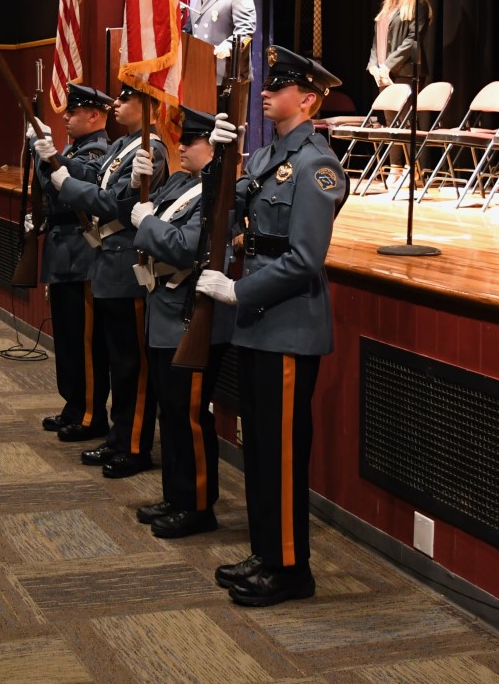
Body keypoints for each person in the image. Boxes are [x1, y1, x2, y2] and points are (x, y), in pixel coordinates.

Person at [196, 45, 348, 607]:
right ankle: (266, 553)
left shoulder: (317, 166)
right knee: (259, 447)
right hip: (258, 325)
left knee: (282, 453)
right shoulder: (264, 157)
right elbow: (222, 209)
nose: (265, 91)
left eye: (279, 85)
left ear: (306, 99)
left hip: (287, 326)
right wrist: (216, 161)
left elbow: (305, 259)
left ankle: (289, 569)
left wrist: (240, 291)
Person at [36, 84, 168, 478]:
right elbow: (96, 179)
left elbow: (114, 204)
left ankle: (134, 445)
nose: (117, 104)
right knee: (117, 362)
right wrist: (55, 158)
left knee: (132, 366)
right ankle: (119, 436)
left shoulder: (151, 149)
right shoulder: (122, 147)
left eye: (127, 99)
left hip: (129, 266)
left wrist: (64, 182)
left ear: (149, 104)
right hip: (107, 264)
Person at [128, 106, 234, 539]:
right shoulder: (180, 183)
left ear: (213, 146)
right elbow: (143, 213)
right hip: (165, 313)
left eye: (191, 140)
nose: (182, 146)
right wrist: (136, 186)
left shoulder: (219, 193)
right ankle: (176, 496)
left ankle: (198, 505)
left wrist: (148, 223)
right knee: (170, 413)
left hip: (192, 319)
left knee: (190, 416)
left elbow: (187, 247)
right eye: (182, 139)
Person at [25, 84, 113, 443]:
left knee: (85, 342)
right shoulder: (75, 149)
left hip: (82, 257)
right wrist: (39, 152)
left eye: (73, 112)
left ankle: (91, 414)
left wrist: (43, 149)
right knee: (66, 338)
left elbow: (71, 180)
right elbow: (50, 185)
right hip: (64, 254)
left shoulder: (98, 151)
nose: (66, 118)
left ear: (94, 115)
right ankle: (74, 405)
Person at [184, 0, 257, 85]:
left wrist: (229, 46)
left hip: (227, 72)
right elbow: (190, 29)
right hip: (198, 70)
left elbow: (247, 30)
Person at [367, 0, 432, 89]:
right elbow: (377, 39)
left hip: (405, 73)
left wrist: (388, 64)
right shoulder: (389, 6)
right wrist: (373, 64)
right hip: (383, 73)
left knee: (403, 104)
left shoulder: (418, 4)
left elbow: (413, 38)